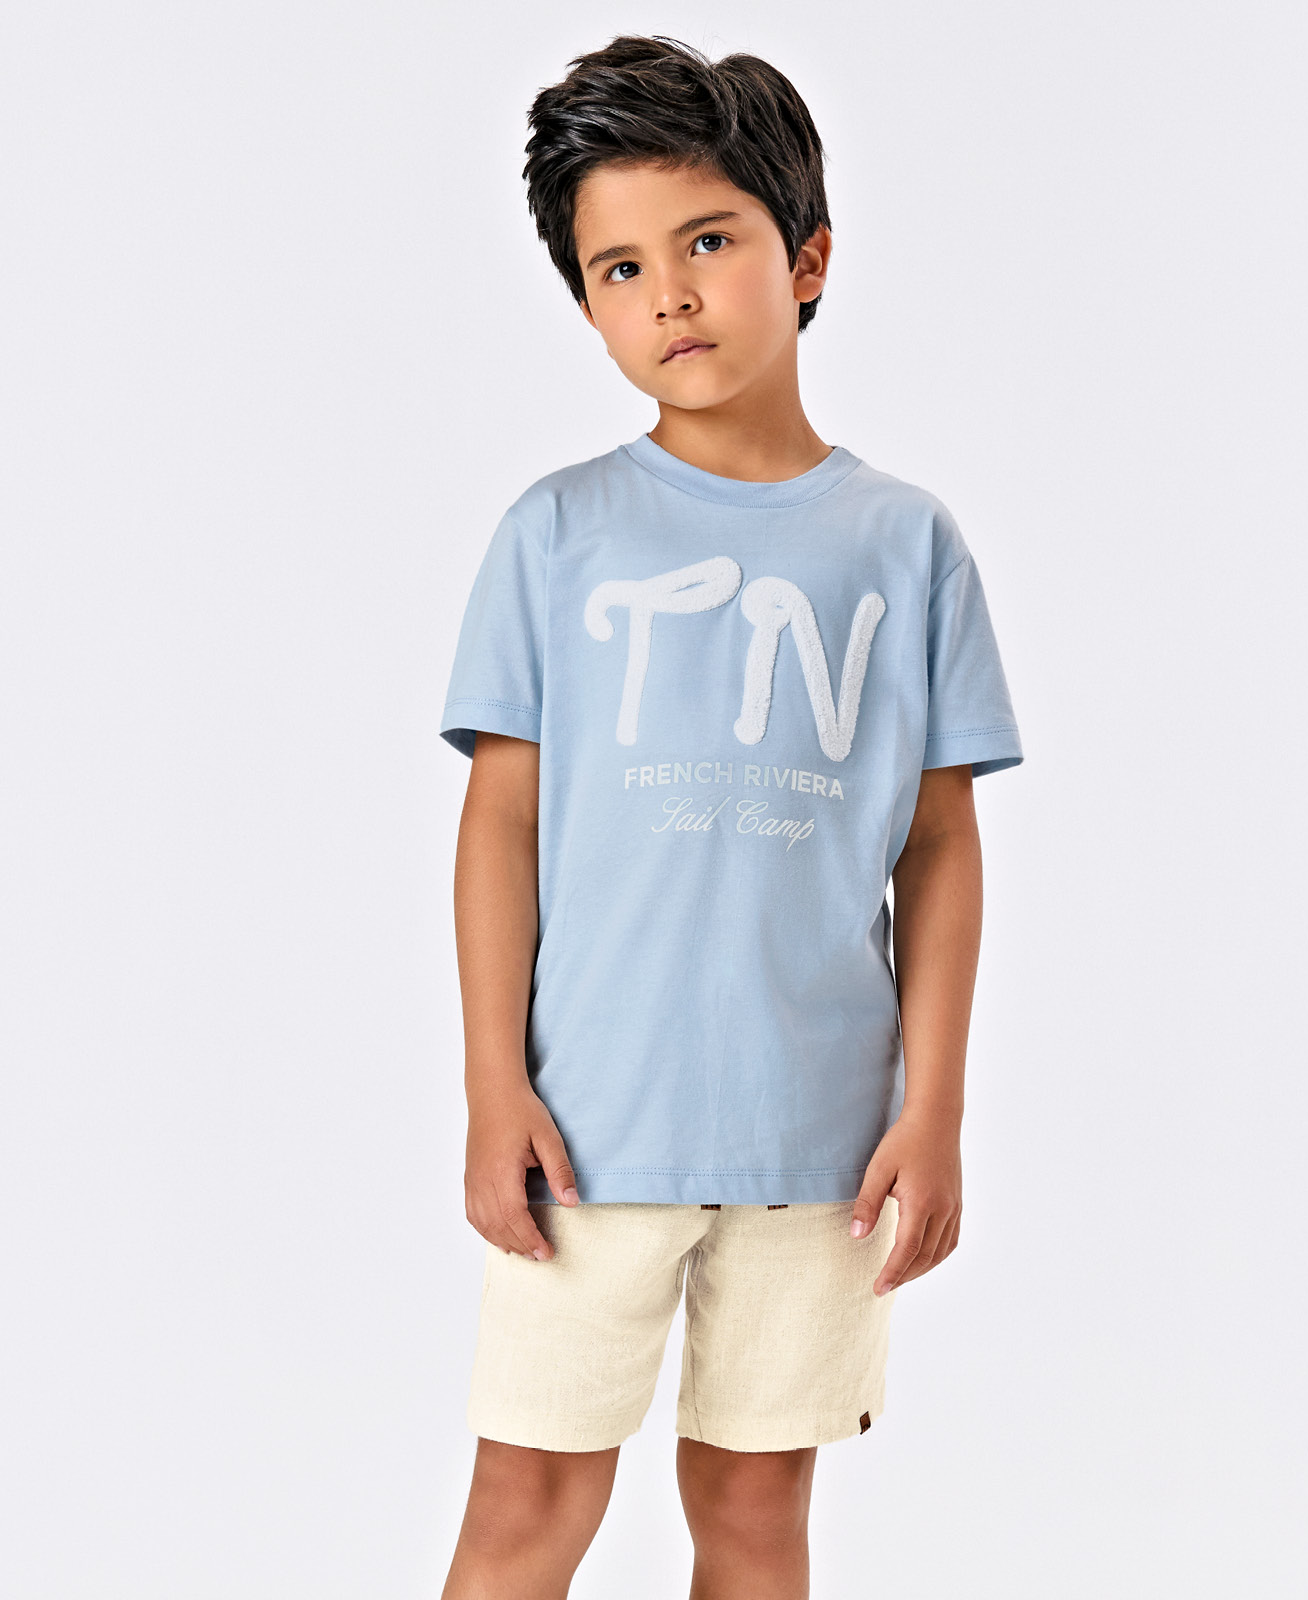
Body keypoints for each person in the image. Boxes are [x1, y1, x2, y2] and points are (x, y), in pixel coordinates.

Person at [435, 33, 1024, 1600]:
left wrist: (935, 1106)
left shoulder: (906, 546)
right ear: (587, 305)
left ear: (806, 256)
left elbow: (940, 844)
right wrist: (494, 1082)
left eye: (708, 242)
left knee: (758, 1523)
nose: (670, 297)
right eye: (620, 268)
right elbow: (501, 826)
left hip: (817, 1148)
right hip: (588, 1135)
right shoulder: (557, 534)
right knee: (525, 1510)